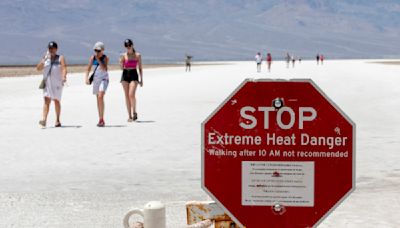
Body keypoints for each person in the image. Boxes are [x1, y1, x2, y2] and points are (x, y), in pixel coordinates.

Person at [36, 41, 67, 128]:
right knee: (46, 100)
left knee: (56, 100)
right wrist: (43, 61)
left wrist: (64, 76)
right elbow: (38, 68)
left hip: (57, 83)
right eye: (50, 48)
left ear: (56, 49)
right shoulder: (46, 58)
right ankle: (44, 120)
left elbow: (64, 68)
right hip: (47, 83)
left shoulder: (60, 58)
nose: (51, 50)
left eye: (53, 48)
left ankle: (57, 120)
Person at [85, 42, 109, 127]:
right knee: (98, 99)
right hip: (96, 80)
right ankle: (100, 118)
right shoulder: (92, 58)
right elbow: (88, 69)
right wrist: (86, 78)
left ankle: (102, 119)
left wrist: (98, 59)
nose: (97, 52)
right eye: (96, 50)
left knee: (100, 96)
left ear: (102, 50)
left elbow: (104, 69)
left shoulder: (105, 58)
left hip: (104, 79)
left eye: (98, 50)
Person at [120, 39, 143, 122]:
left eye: (129, 45)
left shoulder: (138, 55)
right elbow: (122, 68)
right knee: (126, 96)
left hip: (134, 74)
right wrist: (120, 63)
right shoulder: (123, 55)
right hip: (125, 75)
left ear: (132, 45)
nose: (128, 47)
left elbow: (140, 68)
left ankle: (134, 112)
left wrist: (141, 79)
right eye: (126, 46)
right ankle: (129, 116)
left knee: (131, 95)